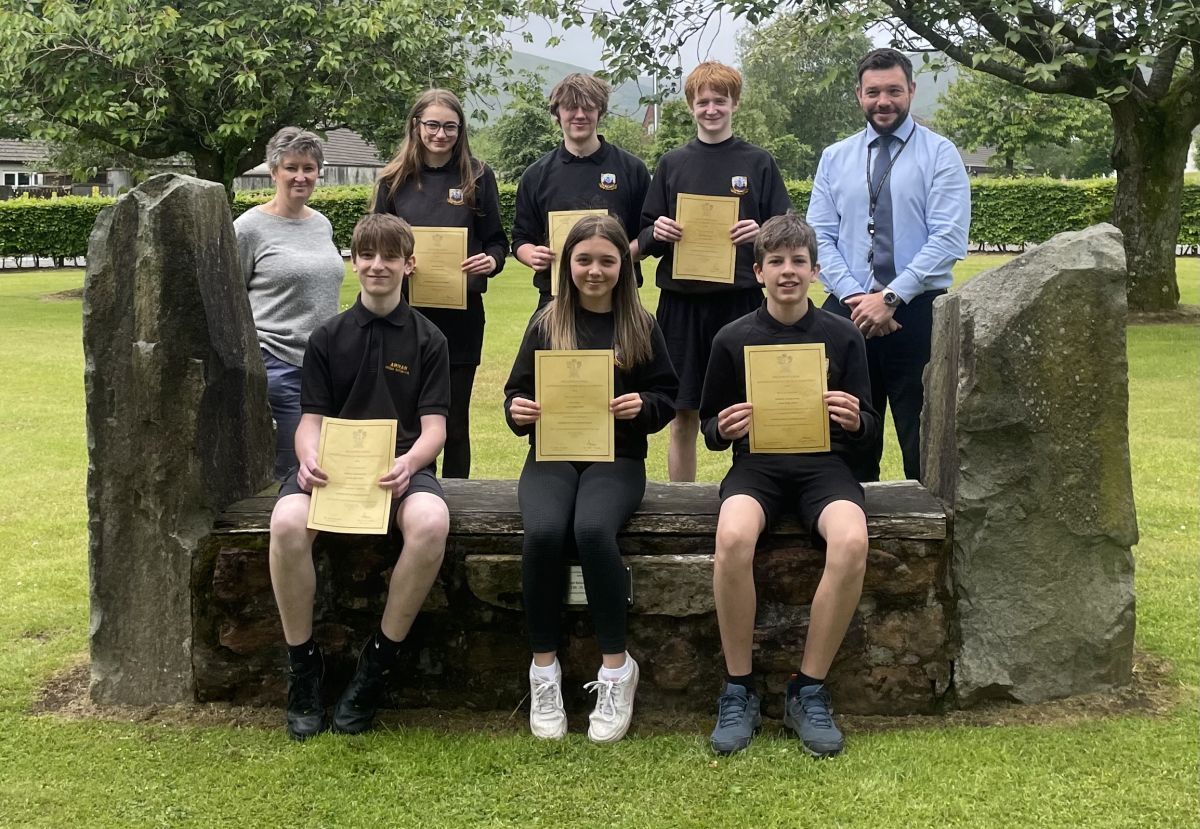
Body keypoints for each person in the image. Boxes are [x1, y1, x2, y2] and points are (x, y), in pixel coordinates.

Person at [698, 214, 879, 758]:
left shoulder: (843, 335)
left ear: (816, 271)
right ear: (758, 271)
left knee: (851, 541)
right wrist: (724, 426)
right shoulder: (733, 338)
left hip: (826, 468)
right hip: (758, 469)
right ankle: (739, 688)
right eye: (775, 261)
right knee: (732, 538)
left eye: (798, 261)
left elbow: (870, 423)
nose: (787, 271)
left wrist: (854, 418)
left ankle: (808, 688)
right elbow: (709, 427)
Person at [268, 213, 451, 741]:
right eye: (366, 255)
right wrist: (306, 459)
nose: (377, 265)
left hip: (400, 470)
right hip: (331, 473)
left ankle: (377, 664)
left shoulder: (429, 340)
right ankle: (303, 668)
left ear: (408, 264)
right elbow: (311, 422)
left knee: (431, 523)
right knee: (285, 522)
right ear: (353, 262)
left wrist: (410, 463)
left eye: (389, 256)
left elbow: (435, 429)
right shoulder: (326, 337)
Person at [504, 215, 678, 743]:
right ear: (567, 265)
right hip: (552, 455)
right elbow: (513, 395)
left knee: (594, 530)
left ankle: (615, 669)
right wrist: (520, 411)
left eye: (607, 260)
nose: (595, 270)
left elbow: (667, 398)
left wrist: (640, 406)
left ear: (624, 266)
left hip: (617, 459)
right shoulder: (546, 322)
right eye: (584, 260)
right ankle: (544, 671)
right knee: (545, 532)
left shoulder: (640, 325)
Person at [806, 48, 970, 482]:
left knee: (925, 439)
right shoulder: (835, 157)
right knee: (845, 438)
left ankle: (932, 539)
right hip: (847, 313)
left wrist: (891, 297)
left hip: (917, 313)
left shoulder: (941, 154)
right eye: (873, 92)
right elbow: (818, 236)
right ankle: (849, 537)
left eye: (894, 91)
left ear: (911, 91)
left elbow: (949, 237)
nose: (884, 101)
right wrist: (860, 298)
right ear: (859, 94)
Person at [638, 61, 792, 483]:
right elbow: (643, 234)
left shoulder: (758, 162)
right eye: (703, 101)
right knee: (681, 413)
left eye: (719, 101)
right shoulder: (671, 164)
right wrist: (659, 230)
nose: (711, 109)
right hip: (682, 304)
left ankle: (750, 492)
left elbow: (786, 233)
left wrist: (762, 232)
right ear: (691, 106)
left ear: (734, 104)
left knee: (746, 409)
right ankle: (681, 505)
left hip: (741, 304)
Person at [372, 89, 508, 479]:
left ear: (461, 130)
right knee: (404, 417)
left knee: (455, 420)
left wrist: (492, 260)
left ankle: (457, 504)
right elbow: (378, 242)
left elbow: (497, 240)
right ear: (416, 126)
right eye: (432, 124)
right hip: (405, 317)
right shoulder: (393, 178)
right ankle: (411, 494)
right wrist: (396, 265)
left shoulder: (478, 175)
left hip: (461, 318)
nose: (440, 134)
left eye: (450, 126)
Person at [235, 127, 345, 479]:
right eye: (291, 167)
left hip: (326, 367)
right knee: (293, 471)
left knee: (331, 466)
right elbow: (231, 300)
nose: (301, 176)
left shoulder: (322, 225)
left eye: (309, 168)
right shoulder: (249, 228)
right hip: (278, 364)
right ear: (274, 171)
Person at [511, 73, 650, 311]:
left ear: (601, 112)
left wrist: (619, 255)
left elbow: (648, 234)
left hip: (618, 299)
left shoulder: (632, 169)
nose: (580, 115)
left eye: (588, 107)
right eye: (570, 107)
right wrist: (532, 255)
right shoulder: (535, 175)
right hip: (555, 301)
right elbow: (520, 240)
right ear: (557, 113)